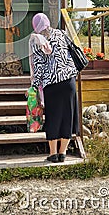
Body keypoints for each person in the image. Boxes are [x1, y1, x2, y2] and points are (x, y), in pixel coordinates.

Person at [30, 13, 79, 163]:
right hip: (68, 82)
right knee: (67, 116)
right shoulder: (62, 34)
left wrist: (34, 87)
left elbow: (38, 67)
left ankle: (53, 154)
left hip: (51, 85)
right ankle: (62, 152)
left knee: (53, 118)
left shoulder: (37, 40)